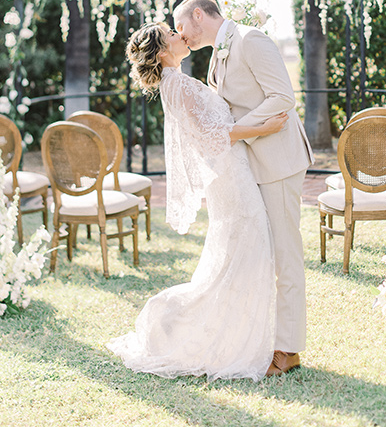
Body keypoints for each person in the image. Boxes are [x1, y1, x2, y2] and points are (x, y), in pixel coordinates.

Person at [107, 22, 288, 381]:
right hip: (232, 180)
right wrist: (262, 128)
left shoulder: (176, 84)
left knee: (238, 256)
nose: (179, 35)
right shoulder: (178, 86)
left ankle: (235, 334)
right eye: (171, 34)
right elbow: (213, 137)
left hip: (232, 175)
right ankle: (185, 325)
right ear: (162, 52)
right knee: (243, 255)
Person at [173, 0, 314, 376]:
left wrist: (242, 132)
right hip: (252, 166)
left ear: (198, 15)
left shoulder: (251, 40)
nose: (180, 35)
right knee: (263, 255)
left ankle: (288, 350)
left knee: (286, 255)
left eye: (181, 26)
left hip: (279, 160)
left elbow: (283, 97)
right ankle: (267, 339)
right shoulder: (217, 55)